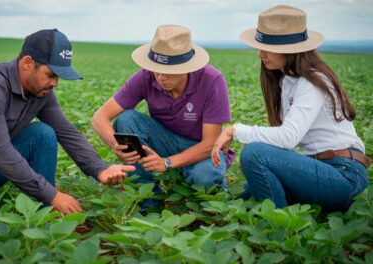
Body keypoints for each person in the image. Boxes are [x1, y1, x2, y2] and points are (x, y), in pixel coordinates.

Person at [0, 29, 135, 237]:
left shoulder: (40, 92)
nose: (55, 83)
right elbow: (0, 152)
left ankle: (40, 221)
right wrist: (53, 194)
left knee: (43, 133)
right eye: (51, 75)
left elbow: (66, 132)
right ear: (28, 63)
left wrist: (100, 169)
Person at [211, 5, 369, 212]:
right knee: (249, 191)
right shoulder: (288, 80)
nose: (260, 54)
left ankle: (278, 224)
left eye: (267, 47)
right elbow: (287, 146)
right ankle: (277, 214)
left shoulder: (312, 81)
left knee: (254, 153)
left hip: (345, 176)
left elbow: (288, 137)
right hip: (321, 168)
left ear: (289, 49)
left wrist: (235, 130)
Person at [92, 25, 233, 208]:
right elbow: (99, 117)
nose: (160, 77)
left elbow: (211, 143)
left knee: (204, 177)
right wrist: (115, 145)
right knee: (127, 120)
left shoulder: (211, 79)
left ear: (187, 67)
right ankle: (147, 201)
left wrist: (167, 162)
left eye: (168, 71)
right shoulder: (146, 76)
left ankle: (220, 208)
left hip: (201, 149)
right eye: (156, 69)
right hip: (164, 141)